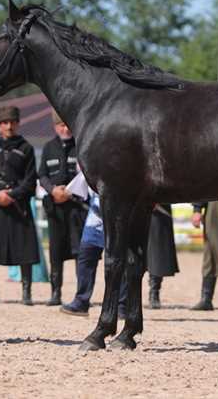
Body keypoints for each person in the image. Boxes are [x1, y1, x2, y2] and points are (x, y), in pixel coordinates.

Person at [0, 105, 39, 306]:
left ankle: (26, 293)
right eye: (4, 122)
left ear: (18, 123)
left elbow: (30, 181)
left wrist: (12, 194)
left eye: (12, 122)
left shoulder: (26, 148)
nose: (9, 126)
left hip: (18, 204)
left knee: (24, 248)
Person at [60, 171, 127, 317]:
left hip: (121, 213)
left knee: (120, 260)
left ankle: (122, 306)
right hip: (96, 214)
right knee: (86, 256)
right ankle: (81, 301)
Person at [38, 110, 85, 306]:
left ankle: (81, 294)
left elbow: (85, 174)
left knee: (78, 252)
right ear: (55, 127)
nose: (65, 129)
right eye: (61, 125)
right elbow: (42, 175)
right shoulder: (48, 147)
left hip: (76, 207)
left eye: (67, 125)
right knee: (56, 251)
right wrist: (52, 190)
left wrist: (69, 192)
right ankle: (55, 292)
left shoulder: (81, 146)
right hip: (55, 207)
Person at [146, 204, 179, 309]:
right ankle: (124, 299)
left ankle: (154, 293)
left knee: (157, 254)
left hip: (159, 208)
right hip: (135, 206)